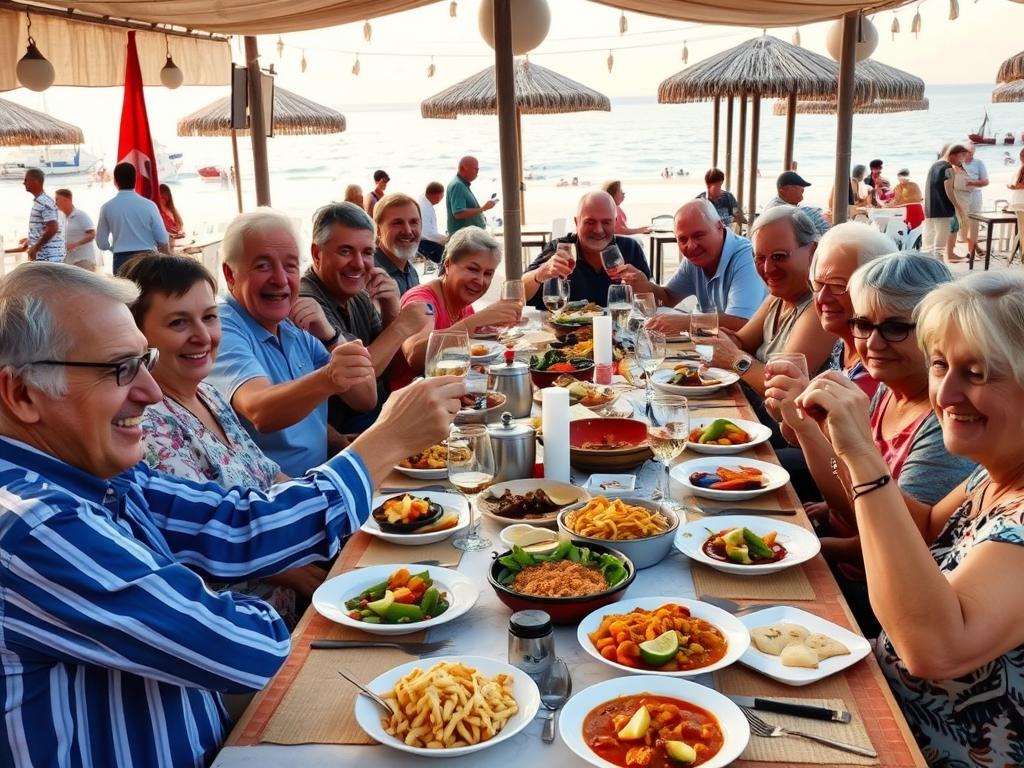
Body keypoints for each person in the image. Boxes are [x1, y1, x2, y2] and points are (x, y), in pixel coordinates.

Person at [0, 261, 464, 768]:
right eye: (120, 369)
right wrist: (388, 439)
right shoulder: (30, 523)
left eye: (143, 361)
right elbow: (248, 650)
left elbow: (238, 523)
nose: (151, 391)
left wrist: (380, 445)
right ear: (23, 394)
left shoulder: (100, 473)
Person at [791, 271, 1024, 767]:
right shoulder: (994, 475)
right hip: (880, 713)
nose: (947, 393)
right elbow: (917, 527)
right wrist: (832, 442)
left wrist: (862, 456)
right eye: (940, 365)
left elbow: (935, 649)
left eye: (978, 373)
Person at [122, 254, 326, 628]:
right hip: (244, 629)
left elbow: (269, 475)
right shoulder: (147, 423)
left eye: (209, 317)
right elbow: (209, 536)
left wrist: (328, 515)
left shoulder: (208, 394)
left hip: (292, 596)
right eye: (179, 322)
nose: (202, 336)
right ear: (137, 336)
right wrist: (292, 566)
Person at [770, 254, 975, 625]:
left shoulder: (947, 420)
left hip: (884, 605)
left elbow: (902, 540)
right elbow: (851, 499)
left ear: (938, 332)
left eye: (896, 327)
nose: (873, 342)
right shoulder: (886, 389)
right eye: (863, 324)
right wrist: (806, 428)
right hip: (856, 570)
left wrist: (813, 549)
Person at [208, 209, 378, 476]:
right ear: (230, 275)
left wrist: (330, 335)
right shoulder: (221, 328)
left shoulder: (294, 325)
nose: (280, 279)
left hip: (320, 481)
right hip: (274, 499)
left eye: (290, 266)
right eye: (263, 265)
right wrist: (329, 378)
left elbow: (365, 398)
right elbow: (260, 411)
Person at [300, 202, 431, 431]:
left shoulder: (357, 294)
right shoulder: (308, 302)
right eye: (345, 251)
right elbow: (361, 375)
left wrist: (391, 308)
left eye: (367, 252)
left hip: (377, 414)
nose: (359, 264)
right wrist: (401, 326)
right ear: (316, 254)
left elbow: (388, 366)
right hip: (342, 430)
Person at [706, 205, 836, 399]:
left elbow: (780, 388)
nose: (768, 268)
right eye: (760, 258)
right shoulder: (778, 297)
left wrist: (734, 359)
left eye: (779, 256)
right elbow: (740, 341)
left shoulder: (820, 308)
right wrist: (729, 347)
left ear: (812, 251)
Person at [616, 198, 765, 333]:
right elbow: (667, 298)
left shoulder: (746, 257)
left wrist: (687, 322)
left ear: (719, 227)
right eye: (683, 239)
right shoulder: (695, 260)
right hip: (719, 346)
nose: (691, 246)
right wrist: (644, 285)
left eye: (698, 236)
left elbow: (742, 322)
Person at [396, 227, 521, 385]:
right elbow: (415, 355)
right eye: (472, 269)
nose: (480, 280)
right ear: (448, 265)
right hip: (412, 401)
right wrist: (477, 321)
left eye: (488, 273)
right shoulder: (422, 301)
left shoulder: (463, 305)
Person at [806, 222, 896, 399]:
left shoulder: (879, 361)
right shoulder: (843, 345)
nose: (822, 297)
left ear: (876, 288)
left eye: (838, 285)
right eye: (818, 284)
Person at [522, 191, 652, 309]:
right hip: (566, 333)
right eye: (590, 222)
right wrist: (540, 273)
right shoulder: (559, 248)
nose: (598, 230)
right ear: (576, 222)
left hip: (616, 332)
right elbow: (520, 294)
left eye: (606, 222)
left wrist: (643, 285)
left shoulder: (630, 248)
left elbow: (651, 303)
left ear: (615, 222)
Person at [96, 162, 170, 273]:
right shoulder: (149, 205)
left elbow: (102, 244)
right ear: (135, 180)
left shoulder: (107, 207)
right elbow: (163, 239)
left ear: (115, 181)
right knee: (148, 290)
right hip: (147, 259)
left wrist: (113, 248)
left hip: (121, 260)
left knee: (124, 291)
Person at [3, 168, 64, 263]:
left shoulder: (44, 202)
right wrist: (30, 240)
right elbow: (44, 227)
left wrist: (36, 247)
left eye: (26, 180)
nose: (23, 183)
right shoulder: (40, 201)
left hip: (47, 258)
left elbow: (53, 227)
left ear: (35, 181)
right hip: (44, 258)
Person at [922, 144, 966, 264]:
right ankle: (939, 264)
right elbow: (949, 190)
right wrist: (958, 207)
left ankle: (926, 263)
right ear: (952, 154)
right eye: (960, 157)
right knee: (940, 239)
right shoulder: (948, 168)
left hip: (930, 207)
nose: (961, 160)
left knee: (929, 238)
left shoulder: (934, 165)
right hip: (943, 207)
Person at [374, 193, 423, 296]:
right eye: (397, 223)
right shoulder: (370, 276)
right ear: (378, 230)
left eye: (414, 222)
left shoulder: (411, 272)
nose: (408, 231)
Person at [766, 170, 831, 235]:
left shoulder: (780, 204)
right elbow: (809, 236)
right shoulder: (784, 212)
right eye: (800, 190)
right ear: (783, 190)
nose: (802, 198)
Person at [446, 155, 497, 235]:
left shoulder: (462, 184)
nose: (477, 172)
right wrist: (483, 208)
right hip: (464, 238)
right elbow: (458, 213)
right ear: (462, 169)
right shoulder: (458, 185)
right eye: (475, 169)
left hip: (469, 236)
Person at [54, 188, 98, 270]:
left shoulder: (80, 215)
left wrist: (76, 244)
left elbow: (92, 234)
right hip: (69, 263)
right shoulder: (62, 219)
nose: (55, 203)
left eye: (57, 199)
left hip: (84, 261)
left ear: (66, 200)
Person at [949, 145, 975, 262]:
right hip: (957, 201)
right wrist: (969, 184)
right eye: (962, 155)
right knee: (957, 228)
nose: (963, 158)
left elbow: (970, 184)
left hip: (965, 200)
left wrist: (971, 184)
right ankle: (952, 253)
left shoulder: (961, 168)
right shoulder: (952, 169)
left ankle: (972, 251)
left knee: (963, 227)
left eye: (965, 155)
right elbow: (955, 186)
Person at [962, 142, 989, 251]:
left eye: (973, 153)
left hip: (975, 195)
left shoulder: (979, 163)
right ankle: (970, 242)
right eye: (969, 152)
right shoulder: (958, 163)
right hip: (961, 196)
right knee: (962, 222)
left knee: (974, 221)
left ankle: (972, 247)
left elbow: (986, 181)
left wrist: (972, 183)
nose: (971, 155)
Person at [417, 181, 447, 263]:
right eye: (442, 195)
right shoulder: (424, 207)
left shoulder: (424, 200)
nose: (442, 197)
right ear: (437, 196)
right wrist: (445, 239)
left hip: (422, 239)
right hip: (421, 243)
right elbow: (426, 233)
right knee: (443, 250)